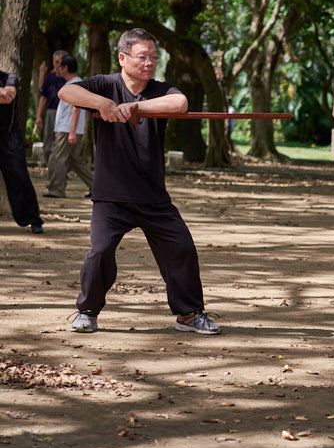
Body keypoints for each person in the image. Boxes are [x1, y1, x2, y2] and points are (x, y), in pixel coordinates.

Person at [58, 28, 221, 334]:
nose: (149, 63)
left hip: (153, 196)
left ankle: (188, 315)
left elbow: (180, 104)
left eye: (154, 57)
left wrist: (135, 108)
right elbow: (66, 93)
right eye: (142, 57)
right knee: (100, 252)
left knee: (182, 248)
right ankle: (87, 312)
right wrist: (103, 105)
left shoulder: (161, 89)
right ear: (123, 58)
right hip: (111, 196)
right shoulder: (104, 85)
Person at [0, 69, 44, 234]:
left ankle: (32, 219)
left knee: (19, 175)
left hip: (8, 135)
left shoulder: (10, 78)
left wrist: (4, 93)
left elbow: (7, 97)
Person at [44, 55, 94, 199]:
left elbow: (76, 109)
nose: (56, 69)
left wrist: (72, 131)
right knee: (74, 160)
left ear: (65, 68)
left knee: (57, 158)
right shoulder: (72, 84)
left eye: (59, 66)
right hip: (65, 129)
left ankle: (56, 190)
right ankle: (96, 187)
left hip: (67, 130)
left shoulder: (75, 84)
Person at [36, 50, 68, 165]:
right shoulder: (50, 78)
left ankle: (61, 167)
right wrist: (38, 116)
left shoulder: (69, 79)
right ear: (53, 62)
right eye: (57, 61)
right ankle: (49, 165)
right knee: (48, 139)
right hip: (51, 112)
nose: (59, 64)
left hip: (65, 114)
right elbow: (43, 96)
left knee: (61, 140)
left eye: (62, 61)